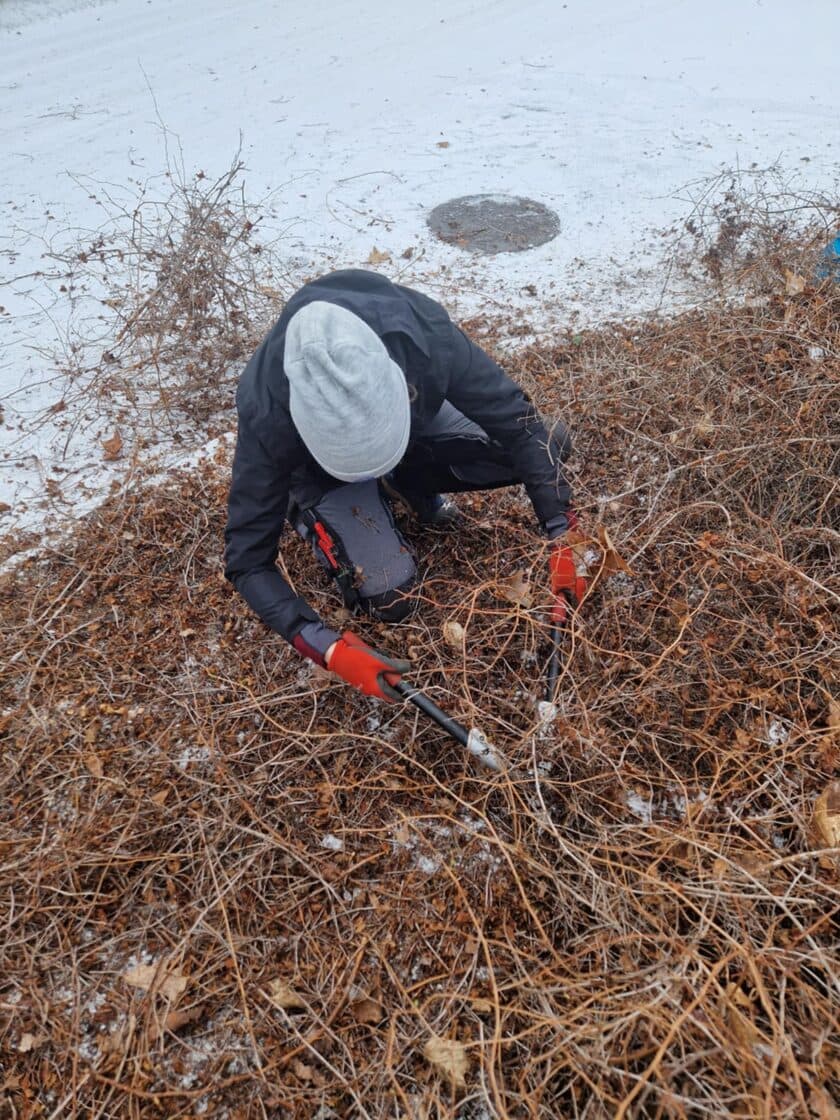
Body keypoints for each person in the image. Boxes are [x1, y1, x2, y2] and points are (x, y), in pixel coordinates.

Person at [224, 269, 586, 702]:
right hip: (321, 478)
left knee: (549, 445)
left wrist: (562, 528)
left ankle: (401, 482)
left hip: (417, 429)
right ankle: (324, 506)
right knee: (391, 600)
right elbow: (248, 562)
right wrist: (324, 646)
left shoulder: (424, 334)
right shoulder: (267, 413)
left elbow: (522, 427)